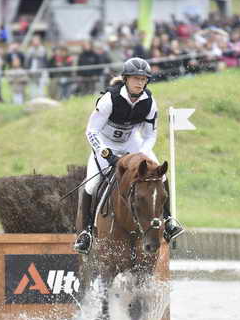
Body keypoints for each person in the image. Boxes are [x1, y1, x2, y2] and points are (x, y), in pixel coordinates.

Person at [73, 57, 184, 254]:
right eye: (135, 79)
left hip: (132, 143)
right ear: (126, 79)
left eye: (143, 79)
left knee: (161, 174)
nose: (139, 83)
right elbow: (91, 131)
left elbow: (150, 135)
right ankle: (86, 233)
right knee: (91, 184)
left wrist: (142, 152)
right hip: (105, 144)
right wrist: (106, 154)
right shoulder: (110, 99)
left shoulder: (149, 102)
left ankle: (168, 221)